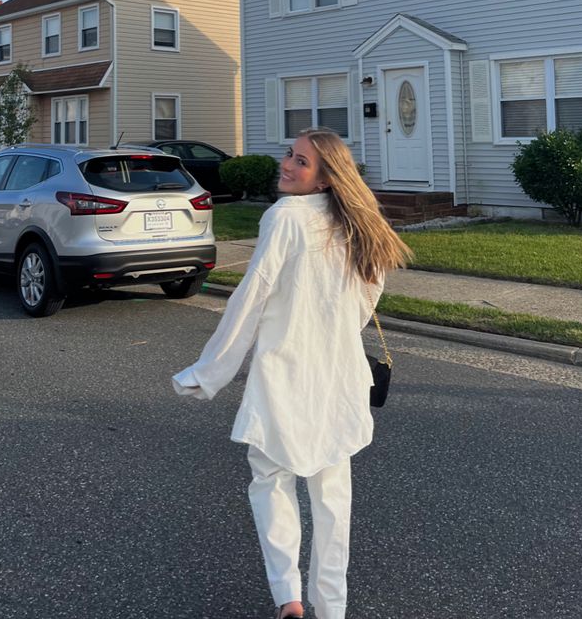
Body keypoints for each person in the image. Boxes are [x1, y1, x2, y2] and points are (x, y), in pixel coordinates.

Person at [172, 127, 411, 619]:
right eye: (289, 154)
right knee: (331, 496)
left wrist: (210, 371)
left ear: (325, 179)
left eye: (301, 161)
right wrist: (341, 327)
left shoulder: (284, 218)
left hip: (285, 371)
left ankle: (290, 598)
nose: (286, 164)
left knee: (272, 481)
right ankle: (331, 607)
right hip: (340, 373)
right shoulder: (354, 223)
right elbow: (372, 289)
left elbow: (251, 298)